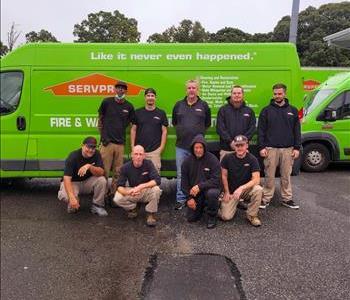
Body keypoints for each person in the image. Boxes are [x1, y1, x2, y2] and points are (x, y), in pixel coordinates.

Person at [258, 83, 301, 209]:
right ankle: (265, 199)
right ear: (273, 94)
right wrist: (261, 147)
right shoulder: (266, 111)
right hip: (270, 149)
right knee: (269, 176)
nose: (277, 96)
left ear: (285, 94)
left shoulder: (292, 110)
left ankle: (287, 199)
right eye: (275, 94)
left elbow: (297, 130)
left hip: (288, 149)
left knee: (286, 175)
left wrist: (297, 148)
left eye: (280, 93)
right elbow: (261, 130)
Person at [172, 79, 211, 210]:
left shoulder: (204, 105)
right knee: (181, 173)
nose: (191, 90)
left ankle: (197, 198)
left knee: (199, 173)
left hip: (198, 148)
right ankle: (181, 198)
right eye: (189, 88)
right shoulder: (178, 105)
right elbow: (175, 122)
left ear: (197, 90)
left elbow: (207, 124)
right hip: (181, 146)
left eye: (194, 88)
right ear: (186, 90)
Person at [98, 80, 135, 205]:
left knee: (118, 173)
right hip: (107, 144)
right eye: (118, 88)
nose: (120, 90)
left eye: (123, 88)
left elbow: (132, 124)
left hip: (120, 144)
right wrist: (103, 137)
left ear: (125, 91)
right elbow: (100, 120)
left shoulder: (129, 106)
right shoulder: (106, 102)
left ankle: (113, 195)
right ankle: (101, 197)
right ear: (115, 89)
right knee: (104, 172)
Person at [57, 136, 108, 216]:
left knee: (102, 180)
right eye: (88, 147)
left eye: (93, 148)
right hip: (73, 183)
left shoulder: (97, 154)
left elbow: (101, 172)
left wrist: (89, 166)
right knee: (68, 200)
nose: (91, 150)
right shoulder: (73, 156)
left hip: (87, 182)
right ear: (82, 145)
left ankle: (97, 206)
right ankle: (75, 200)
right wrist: (72, 197)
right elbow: (66, 178)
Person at [219, 135, 262, 227]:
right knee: (226, 217)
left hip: (245, 189)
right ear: (234, 146)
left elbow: (256, 179)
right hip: (231, 192)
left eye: (242, 145)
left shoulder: (252, 159)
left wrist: (241, 188)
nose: (239, 148)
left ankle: (252, 215)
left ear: (247, 145)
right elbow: (223, 176)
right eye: (237, 145)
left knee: (258, 189)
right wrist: (226, 192)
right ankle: (220, 205)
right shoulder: (227, 158)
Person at [113, 145, 161, 227]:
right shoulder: (125, 167)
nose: (138, 157)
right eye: (136, 154)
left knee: (156, 189)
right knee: (117, 198)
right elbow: (119, 186)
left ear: (144, 156)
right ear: (132, 155)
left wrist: (141, 186)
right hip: (133, 191)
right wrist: (128, 192)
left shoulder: (148, 164)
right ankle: (134, 208)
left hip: (146, 190)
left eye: (140, 154)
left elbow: (157, 180)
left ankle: (150, 213)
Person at [181, 135, 221, 229]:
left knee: (212, 194)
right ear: (192, 148)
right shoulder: (187, 162)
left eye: (200, 147)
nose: (198, 150)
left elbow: (216, 180)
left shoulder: (212, 159)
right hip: (195, 193)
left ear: (204, 148)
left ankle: (212, 216)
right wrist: (189, 198)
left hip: (209, 189)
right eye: (196, 147)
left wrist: (199, 186)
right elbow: (184, 183)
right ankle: (202, 207)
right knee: (191, 218)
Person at [130, 88, 168, 174]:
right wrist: (133, 148)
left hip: (154, 152)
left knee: (154, 179)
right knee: (138, 178)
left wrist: (160, 148)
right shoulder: (137, 112)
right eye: (148, 95)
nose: (150, 97)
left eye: (152, 96)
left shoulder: (161, 113)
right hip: (139, 152)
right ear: (145, 97)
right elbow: (133, 130)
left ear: (155, 98)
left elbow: (164, 131)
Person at [216, 85, 256, 160]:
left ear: (243, 95)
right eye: (234, 93)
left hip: (243, 150)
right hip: (226, 150)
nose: (237, 95)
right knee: (225, 171)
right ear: (231, 95)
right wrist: (231, 142)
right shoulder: (223, 110)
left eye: (239, 93)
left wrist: (242, 143)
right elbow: (220, 128)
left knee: (244, 171)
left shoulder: (249, 111)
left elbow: (252, 128)